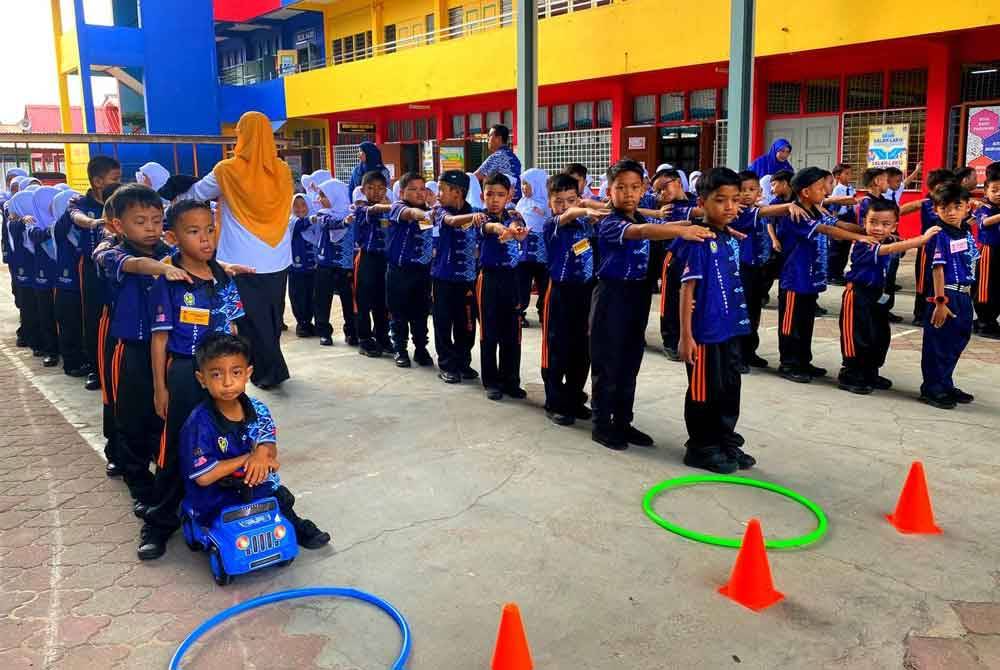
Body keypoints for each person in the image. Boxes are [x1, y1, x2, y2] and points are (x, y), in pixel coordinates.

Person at [141, 199, 246, 560]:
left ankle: (243, 510)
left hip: (222, 374)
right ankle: (158, 523)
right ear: (172, 237)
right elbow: (159, 340)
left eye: (210, 229)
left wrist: (237, 373)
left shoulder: (223, 278)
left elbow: (232, 328)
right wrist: (160, 387)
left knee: (235, 440)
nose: (205, 239)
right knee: (175, 449)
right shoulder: (169, 282)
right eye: (194, 231)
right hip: (186, 372)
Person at [589, 159, 714, 450]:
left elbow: (665, 225)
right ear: (609, 190)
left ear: (643, 188)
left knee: (630, 361)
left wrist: (701, 223)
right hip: (611, 297)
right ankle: (601, 425)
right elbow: (643, 232)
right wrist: (680, 231)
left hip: (638, 296)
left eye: (635, 187)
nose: (629, 193)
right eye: (621, 188)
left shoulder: (638, 218)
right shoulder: (610, 222)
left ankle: (622, 421)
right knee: (608, 362)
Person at [180, 333, 331, 550]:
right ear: (202, 379)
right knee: (220, 527)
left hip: (251, 484)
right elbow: (204, 476)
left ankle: (297, 525)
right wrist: (248, 459)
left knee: (280, 497)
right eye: (216, 374)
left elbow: (270, 448)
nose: (227, 382)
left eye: (236, 372)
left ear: (248, 373)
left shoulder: (258, 409)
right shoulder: (198, 424)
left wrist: (262, 455)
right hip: (216, 494)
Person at [179, 111, 294, 390]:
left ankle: (268, 371)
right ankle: (273, 367)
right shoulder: (282, 170)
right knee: (272, 316)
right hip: (277, 256)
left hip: (241, 259)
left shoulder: (228, 170)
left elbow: (194, 195)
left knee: (249, 322)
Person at [92, 184, 182, 512]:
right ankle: (137, 481)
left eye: (156, 221)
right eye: (140, 221)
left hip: (165, 348)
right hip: (128, 348)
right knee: (128, 413)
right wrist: (166, 267)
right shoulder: (109, 250)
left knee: (162, 411)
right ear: (118, 225)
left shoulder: (165, 250)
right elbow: (134, 266)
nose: (150, 229)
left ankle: (161, 475)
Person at [676, 168, 752, 474]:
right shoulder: (698, 240)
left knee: (729, 386)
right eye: (721, 200)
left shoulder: (729, 238)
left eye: (735, 200)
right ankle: (701, 446)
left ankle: (724, 439)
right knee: (704, 390)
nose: (730, 207)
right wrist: (686, 336)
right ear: (703, 202)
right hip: (705, 333)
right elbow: (687, 289)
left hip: (731, 328)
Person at [776, 167, 875, 384]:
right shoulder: (796, 214)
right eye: (820, 188)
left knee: (805, 322)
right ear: (805, 192)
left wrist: (868, 230)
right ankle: (789, 363)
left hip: (811, 279)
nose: (825, 191)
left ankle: (803, 361)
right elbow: (827, 230)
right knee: (791, 323)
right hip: (795, 279)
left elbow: (837, 224)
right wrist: (858, 238)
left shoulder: (817, 210)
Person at [838, 200, 941, 395]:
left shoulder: (890, 239)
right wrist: (921, 239)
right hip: (858, 294)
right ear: (864, 222)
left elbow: (894, 246)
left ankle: (870, 371)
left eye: (885, 224)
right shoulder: (864, 243)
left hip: (879, 295)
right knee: (857, 334)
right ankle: (852, 373)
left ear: (894, 225)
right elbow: (890, 250)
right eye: (873, 222)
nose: (878, 228)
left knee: (879, 335)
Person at [541, 174, 605, 425]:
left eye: (571, 200)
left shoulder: (587, 226)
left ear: (578, 198)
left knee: (582, 351)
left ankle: (574, 398)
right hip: (559, 292)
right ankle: (554, 402)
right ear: (550, 203)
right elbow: (567, 216)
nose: (565, 206)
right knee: (557, 350)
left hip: (586, 293)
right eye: (559, 201)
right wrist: (583, 209)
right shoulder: (552, 224)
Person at [730, 171, 809, 371]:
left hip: (759, 267)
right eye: (742, 190)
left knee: (754, 312)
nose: (747, 194)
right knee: (741, 312)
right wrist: (788, 206)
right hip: (741, 269)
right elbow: (766, 213)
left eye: (752, 189)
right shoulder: (737, 212)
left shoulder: (757, 208)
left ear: (759, 191)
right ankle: (736, 356)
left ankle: (749, 351)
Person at [920, 182, 977, 410]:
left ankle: (945, 382)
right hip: (946, 295)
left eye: (957, 206)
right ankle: (932, 388)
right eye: (944, 208)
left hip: (964, 295)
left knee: (957, 340)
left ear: (967, 208)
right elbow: (938, 269)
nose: (951, 212)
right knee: (939, 344)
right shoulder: (938, 234)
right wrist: (940, 302)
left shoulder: (964, 230)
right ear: (936, 209)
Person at [367, 172, 434, 367]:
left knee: (421, 313)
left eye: (422, 189)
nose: (419, 193)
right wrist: (427, 214)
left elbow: (429, 231)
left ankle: (421, 349)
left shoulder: (430, 212)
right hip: (399, 271)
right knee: (398, 313)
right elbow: (413, 214)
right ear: (402, 192)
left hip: (422, 272)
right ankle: (400, 349)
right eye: (413, 189)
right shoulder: (398, 207)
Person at [68, 155, 122, 393]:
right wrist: (96, 222)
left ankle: (117, 366)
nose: (119, 181)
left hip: (121, 266)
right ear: (98, 181)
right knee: (93, 318)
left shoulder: (122, 199)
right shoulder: (79, 202)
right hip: (91, 268)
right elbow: (76, 218)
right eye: (115, 178)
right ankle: (96, 368)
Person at [477, 173, 528, 400]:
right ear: (482, 195)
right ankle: (491, 381)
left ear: (509, 196)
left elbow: (518, 228)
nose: (495, 199)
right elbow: (489, 228)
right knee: (489, 332)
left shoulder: (515, 216)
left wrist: (516, 231)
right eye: (490, 194)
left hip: (513, 279)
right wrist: (499, 229)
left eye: (500, 195)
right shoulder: (479, 218)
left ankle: (511, 380)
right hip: (488, 278)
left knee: (512, 331)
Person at [430, 170, 484, 384]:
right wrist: (476, 217)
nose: (437, 194)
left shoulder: (476, 213)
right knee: (443, 323)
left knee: (467, 324)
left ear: (457, 192)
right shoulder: (439, 212)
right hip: (442, 278)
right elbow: (452, 222)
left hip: (468, 280)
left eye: (441, 190)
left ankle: (463, 362)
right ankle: (447, 365)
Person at [310, 179, 357, 347]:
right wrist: (344, 222)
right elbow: (328, 224)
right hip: (326, 262)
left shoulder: (351, 211)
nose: (320, 199)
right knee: (323, 298)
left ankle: (351, 332)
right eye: (320, 195)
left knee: (348, 299)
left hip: (345, 264)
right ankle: (324, 332)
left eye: (323, 195)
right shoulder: (323, 214)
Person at [351, 170, 393, 357]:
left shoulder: (391, 209)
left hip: (385, 260)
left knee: (382, 301)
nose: (376, 192)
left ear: (386, 189)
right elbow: (372, 211)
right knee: (364, 300)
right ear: (363, 189)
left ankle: (383, 337)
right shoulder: (359, 208)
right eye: (371, 188)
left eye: (380, 188)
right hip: (366, 258)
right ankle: (365, 340)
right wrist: (388, 207)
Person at [50, 188, 87, 376]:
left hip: (82, 284)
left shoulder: (82, 230)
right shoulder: (59, 226)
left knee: (81, 324)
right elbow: (67, 221)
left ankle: (83, 359)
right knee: (68, 324)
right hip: (66, 284)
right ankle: (71, 363)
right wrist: (73, 208)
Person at [913, 169, 957, 326]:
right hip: (928, 247)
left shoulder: (949, 203)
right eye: (944, 186)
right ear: (934, 188)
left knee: (939, 280)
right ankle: (919, 314)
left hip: (945, 247)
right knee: (924, 281)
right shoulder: (929, 204)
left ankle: (937, 309)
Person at [27, 186, 60, 367]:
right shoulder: (32, 222)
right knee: (46, 312)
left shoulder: (61, 218)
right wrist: (52, 230)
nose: (50, 207)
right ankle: (50, 350)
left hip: (62, 275)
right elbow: (36, 235)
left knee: (63, 315)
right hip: (42, 275)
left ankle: (64, 347)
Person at [5, 192, 40, 352]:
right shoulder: (13, 223)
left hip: (37, 271)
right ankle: (30, 337)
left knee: (38, 306)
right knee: (28, 306)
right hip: (23, 271)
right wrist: (21, 220)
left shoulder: (39, 219)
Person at [516, 168, 551, 328]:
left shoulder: (548, 203)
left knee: (543, 285)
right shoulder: (521, 202)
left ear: (537, 185)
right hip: (524, 252)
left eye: (527, 184)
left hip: (543, 253)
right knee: (522, 284)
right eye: (522, 184)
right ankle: (519, 313)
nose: (523, 188)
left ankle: (543, 312)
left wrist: (544, 213)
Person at [973, 169, 1000, 339]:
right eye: (995, 190)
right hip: (988, 252)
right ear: (985, 191)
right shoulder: (984, 207)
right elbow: (983, 222)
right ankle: (983, 321)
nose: (999, 194)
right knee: (985, 288)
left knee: (997, 288)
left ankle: (991, 320)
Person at [287, 193, 317, 337]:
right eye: (295, 205)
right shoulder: (291, 222)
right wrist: (311, 219)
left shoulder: (315, 222)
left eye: (303, 204)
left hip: (313, 268)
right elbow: (300, 224)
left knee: (312, 296)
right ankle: (302, 323)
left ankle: (309, 322)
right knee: (298, 296)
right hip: (296, 269)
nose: (299, 208)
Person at [474, 124, 522, 202]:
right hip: (516, 201)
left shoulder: (498, 156)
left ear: (498, 138)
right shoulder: (513, 157)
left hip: (504, 202)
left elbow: (475, 177)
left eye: (489, 136)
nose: (488, 139)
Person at [827, 163, 856, 285]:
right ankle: (831, 275)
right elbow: (834, 209)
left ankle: (839, 272)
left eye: (850, 173)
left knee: (845, 249)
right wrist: (834, 227)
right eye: (847, 174)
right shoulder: (837, 190)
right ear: (838, 176)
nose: (850, 176)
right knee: (836, 250)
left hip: (850, 219)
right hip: (840, 219)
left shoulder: (851, 188)